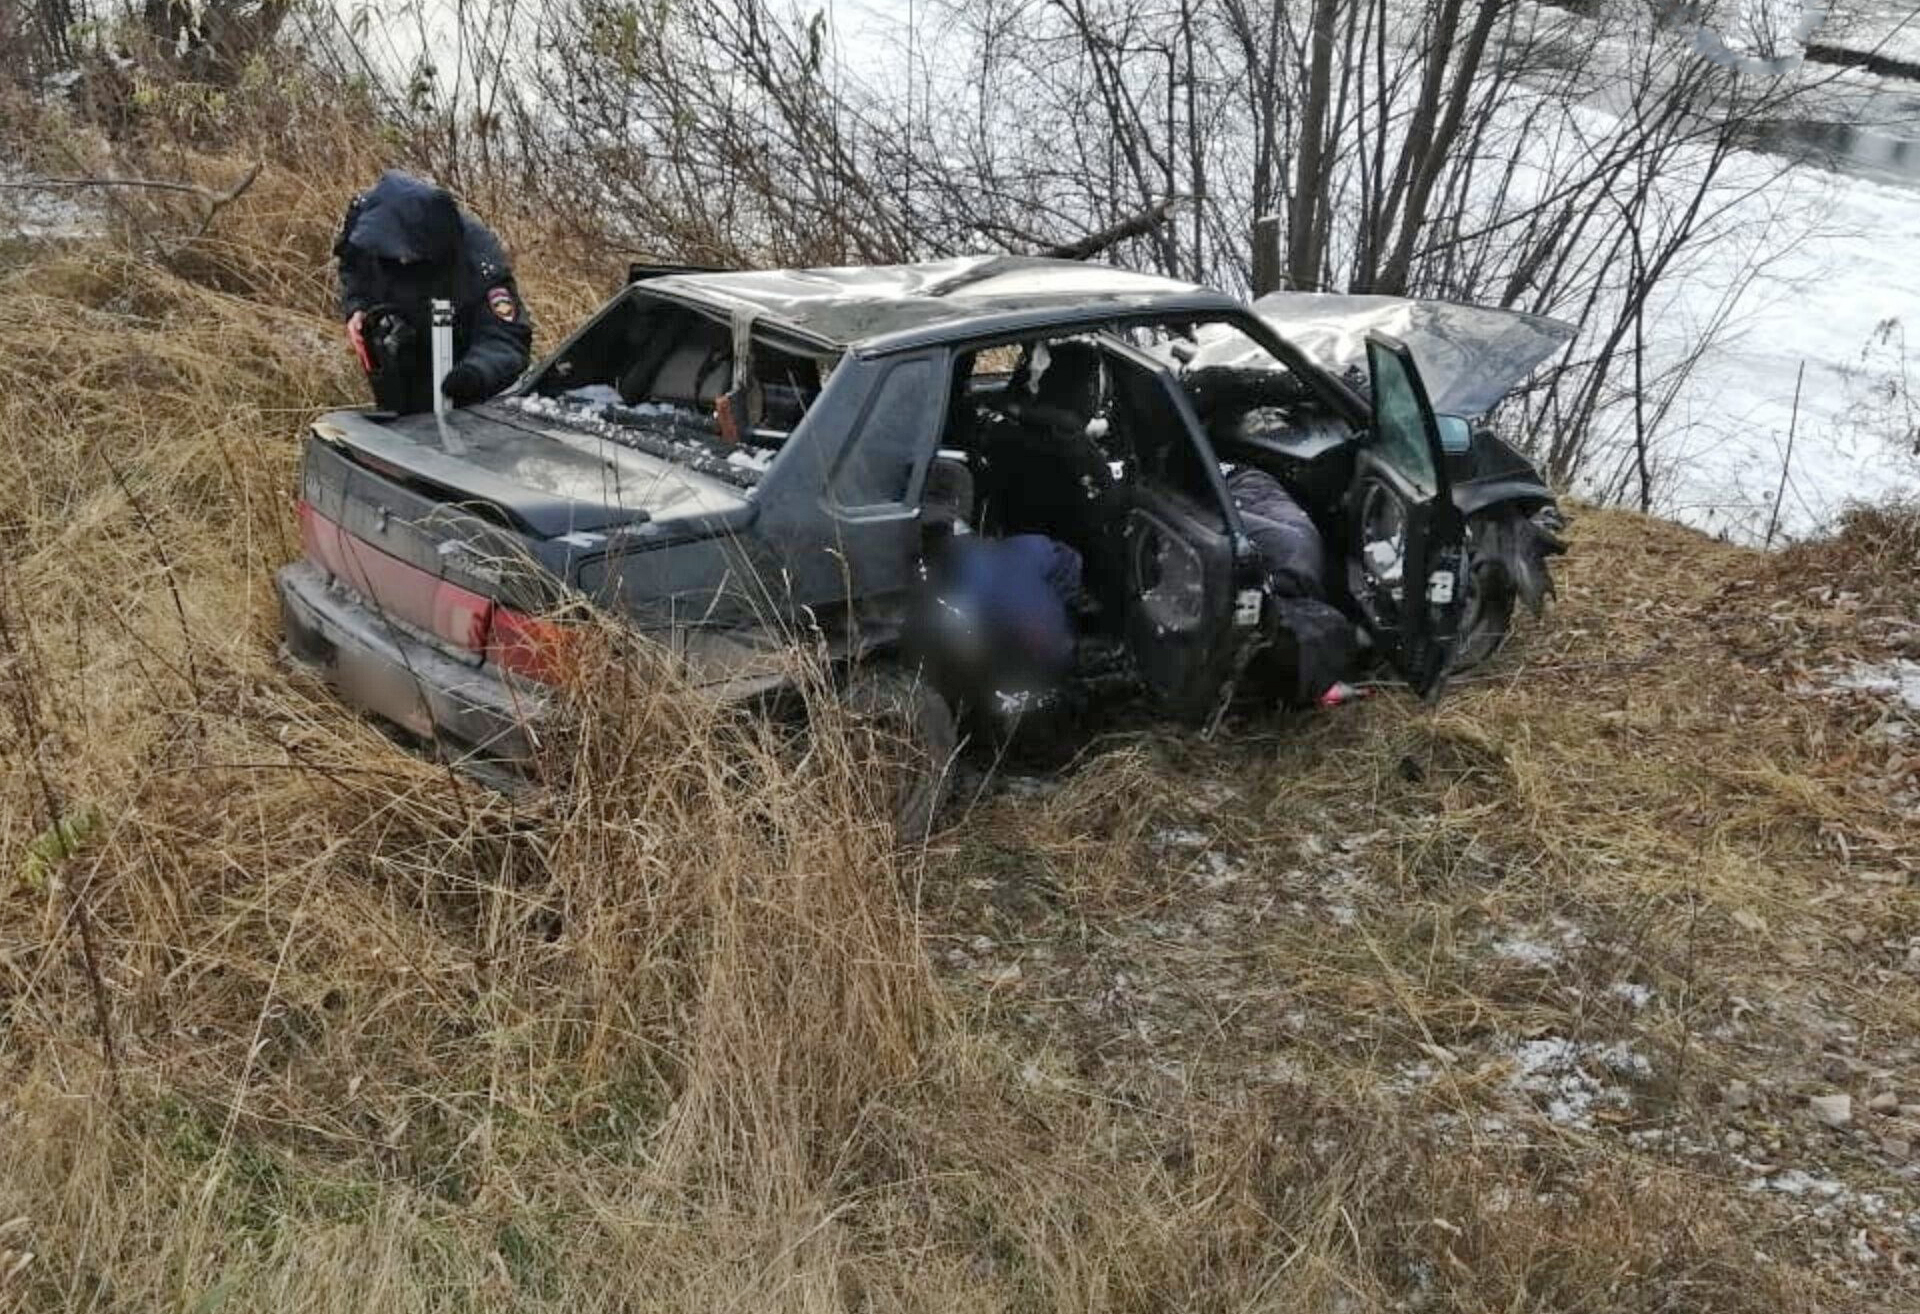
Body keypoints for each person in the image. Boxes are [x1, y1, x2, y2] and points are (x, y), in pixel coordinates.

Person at [334, 171, 533, 414]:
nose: (398, 262)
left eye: (403, 257)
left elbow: (506, 340)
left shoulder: (479, 263)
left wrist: (473, 375)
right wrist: (357, 306)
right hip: (394, 361)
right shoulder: (367, 218)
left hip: (461, 385)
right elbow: (353, 266)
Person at [1226, 464, 1357, 706]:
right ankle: (1314, 661)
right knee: (1295, 547)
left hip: (1230, 477)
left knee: (1297, 547)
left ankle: (1313, 658)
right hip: (1196, 488)